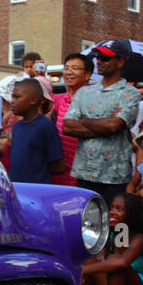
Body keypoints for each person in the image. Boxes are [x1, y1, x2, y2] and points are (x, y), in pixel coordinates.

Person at [62, 40, 141, 205]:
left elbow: (115, 125)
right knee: (85, 222)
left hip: (114, 176)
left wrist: (83, 121)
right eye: (98, 56)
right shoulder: (84, 91)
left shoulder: (131, 93)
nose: (99, 61)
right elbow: (68, 126)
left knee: (113, 223)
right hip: (84, 172)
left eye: (105, 58)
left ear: (120, 62)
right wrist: (104, 126)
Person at [82, 192, 143, 285]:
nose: (112, 212)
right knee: (89, 259)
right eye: (111, 208)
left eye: (119, 209)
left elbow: (121, 262)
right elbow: (115, 256)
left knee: (117, 266)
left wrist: (81, 271)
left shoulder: (140, 239)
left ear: (132, 214)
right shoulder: (118, 233)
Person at [3, 77, 64, 185]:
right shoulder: (16, 127)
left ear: (33, 100)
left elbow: (58, 166)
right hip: (16, 188)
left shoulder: (45, 127)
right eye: (12, 97)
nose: (12, 101)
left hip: (36, 191)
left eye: (17, 97)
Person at [51, 52, 92, 188]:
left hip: (81, 172)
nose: (68, 72)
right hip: (58, 170)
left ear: (87, 74)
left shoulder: (93, 102)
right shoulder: (60, 99)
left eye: (75, 68)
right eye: (66, 68)